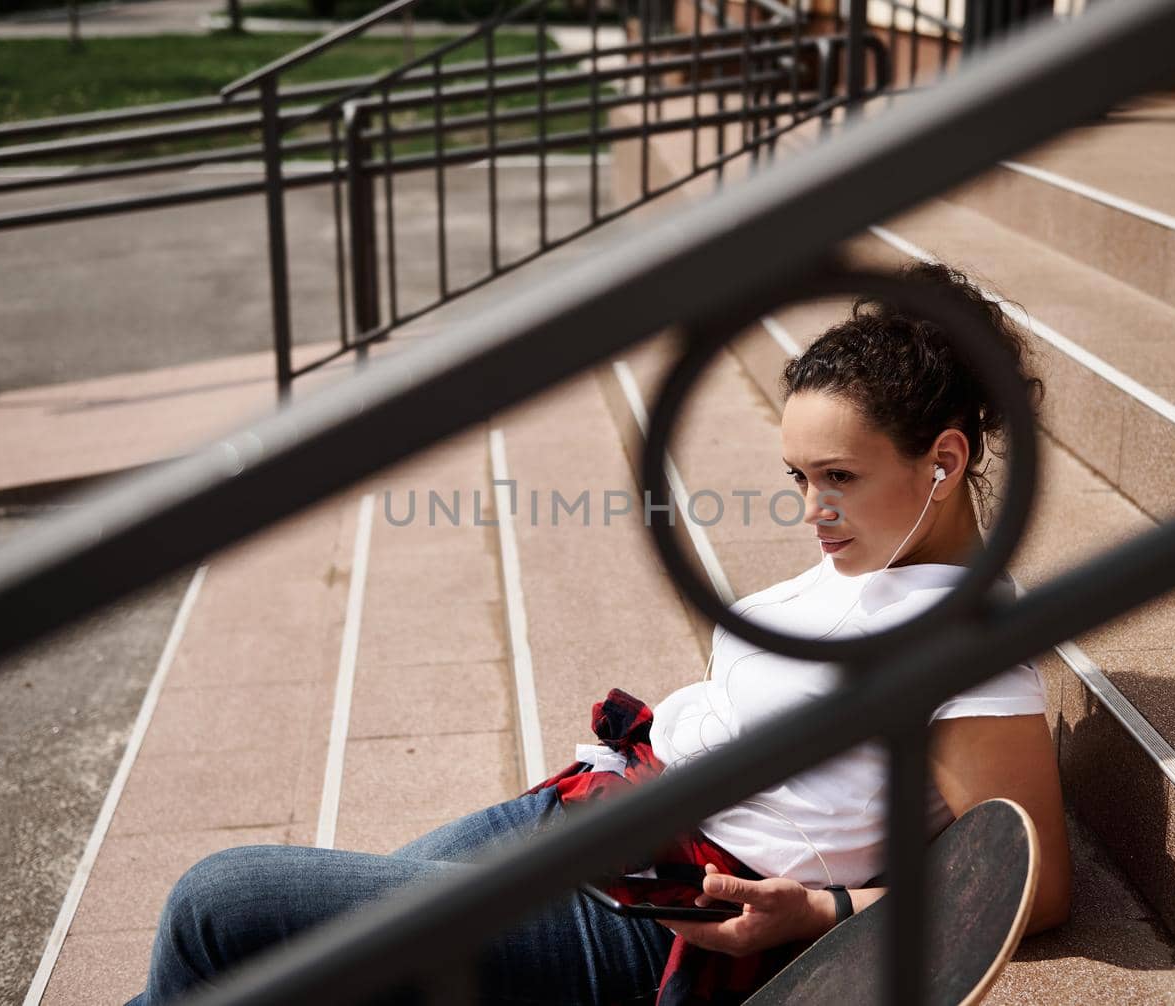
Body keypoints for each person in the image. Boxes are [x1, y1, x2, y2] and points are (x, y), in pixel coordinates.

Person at [123, 261, 1072, 1005]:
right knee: (264, 962)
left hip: (658, 917)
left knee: (224, 903)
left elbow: (1030, 881)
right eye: (798, 479)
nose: (813, 510)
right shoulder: (873, 559)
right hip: (593, 810)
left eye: (839, 478)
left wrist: (819, 911)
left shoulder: (967, 635)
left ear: (944, 462)